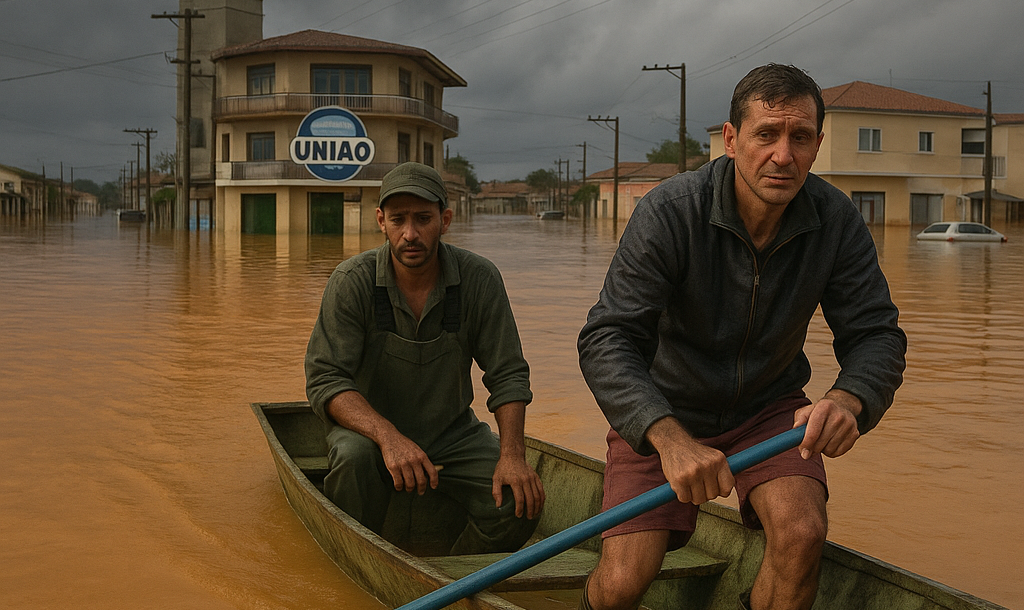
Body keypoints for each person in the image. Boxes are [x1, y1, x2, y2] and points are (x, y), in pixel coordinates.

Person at [577, 64, 907, 610]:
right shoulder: (669, 212)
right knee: (623, 582)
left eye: (800, 137)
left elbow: (876, 333)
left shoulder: (836, 220)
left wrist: (850, 399)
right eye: (766, 134)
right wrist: (667, 436)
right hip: (666, 408)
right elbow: (607, 337)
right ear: (731, 141)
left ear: (817, 144)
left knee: (802, 537)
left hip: (768, 412)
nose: (783, 155)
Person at [305, 161, 544, 555]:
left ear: (445, 219)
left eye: (423, 219)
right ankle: (357, 558)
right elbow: (326, 380)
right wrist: (389, 437)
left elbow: (508, 374)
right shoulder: (352, 282)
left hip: (452, 435)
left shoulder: (479, 279)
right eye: (398, 220)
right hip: (367, 435)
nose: (410, 234)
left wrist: (513, 455)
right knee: (351, 458)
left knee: (519, 502)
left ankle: (452, 578)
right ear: (381, 221)